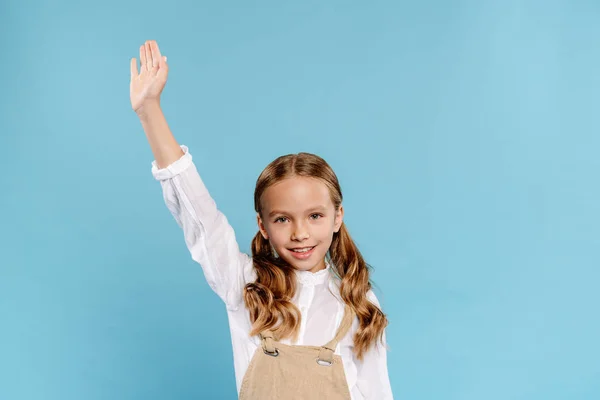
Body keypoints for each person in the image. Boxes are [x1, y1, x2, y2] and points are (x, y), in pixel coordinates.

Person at [130, 40, 394, 399]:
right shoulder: (245, 285)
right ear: (262, 226)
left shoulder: (359, 303)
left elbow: (378, 393)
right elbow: (199, 216)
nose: (300, 233)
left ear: (337, 217)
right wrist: (150, 111)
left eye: (315, 216)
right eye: (283, 219)